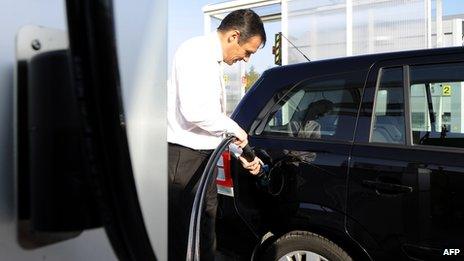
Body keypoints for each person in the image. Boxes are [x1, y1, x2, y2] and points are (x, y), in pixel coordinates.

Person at [167, 9, 266, 261]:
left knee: (204, 230)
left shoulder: (213, 62)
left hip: (204, 160)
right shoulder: (195, 52)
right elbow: (194, 112)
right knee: (182, 236)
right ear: (234, 36)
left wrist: (238, 151)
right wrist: (237, 131)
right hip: (183, 161)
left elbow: (213, 122)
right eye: (247, 52)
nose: (245, 59)